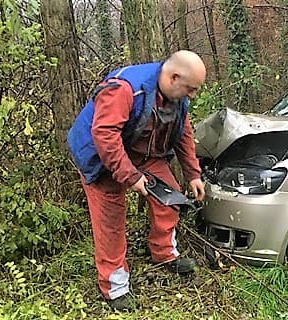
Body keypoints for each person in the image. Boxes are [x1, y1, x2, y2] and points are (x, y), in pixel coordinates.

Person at [67, 50, 207, 311]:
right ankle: (115, 286)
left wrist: (193, 174)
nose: (192, 95)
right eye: (190, 89)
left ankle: (164, 253)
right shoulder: (125, 88)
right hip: (99, 154)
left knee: (170, 197)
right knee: (111, 219)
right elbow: (105, 135)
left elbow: (183, 132)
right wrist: (131, 177)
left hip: (141, 150)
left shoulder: (178, 96)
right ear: (174, 77)